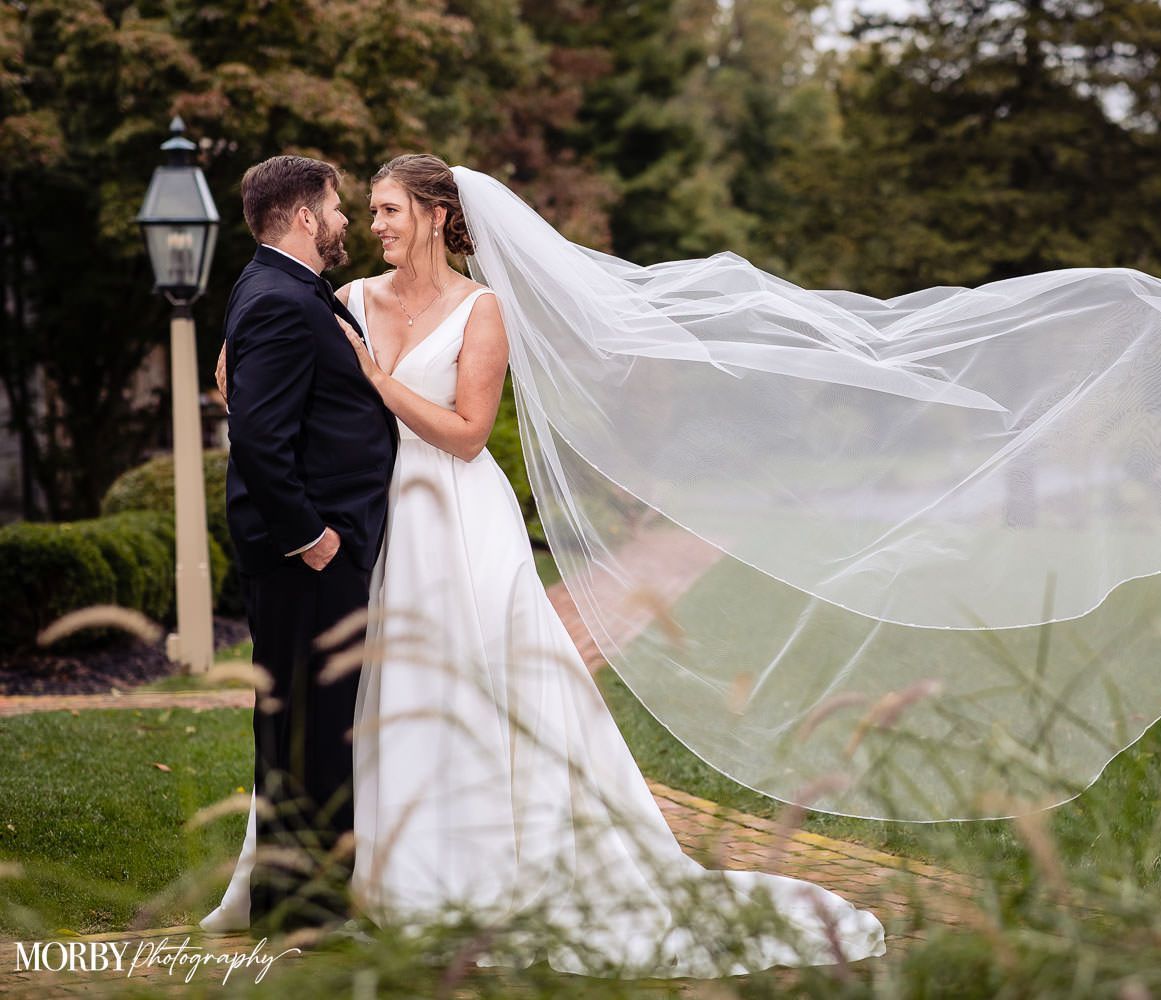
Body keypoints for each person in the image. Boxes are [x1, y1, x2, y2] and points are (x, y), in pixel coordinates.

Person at [204, 155, 887, 977]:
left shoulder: (480, 310)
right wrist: (234, 371)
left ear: (431, 214)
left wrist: (381, 381)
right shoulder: (345, 299)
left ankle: (466, 873)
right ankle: (359, 874)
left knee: (470, 680)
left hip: (455, 517)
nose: (373, 223)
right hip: (374, 522)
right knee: (370, 695)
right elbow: (284, 362)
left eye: (388, 210)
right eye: (368, 210)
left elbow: (464, 431)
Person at [214, 155, 397, 931]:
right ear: (302, 217)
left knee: (310, 725)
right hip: (306, 556)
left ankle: (303, 902)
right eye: (336, 207)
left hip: (317, 548)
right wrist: (309, 536)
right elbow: (258, 436)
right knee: (307, 730)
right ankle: (305, 912)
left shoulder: (282, 289)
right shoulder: (281, 299)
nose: (347, 220)